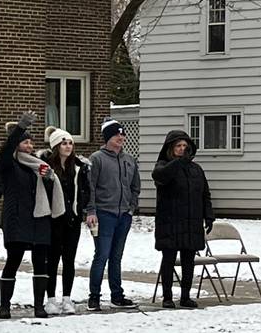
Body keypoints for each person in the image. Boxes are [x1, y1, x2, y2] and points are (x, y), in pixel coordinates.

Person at [0, 114, 64, 318]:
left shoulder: (40, 166)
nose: (29, 145)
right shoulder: (9, 163)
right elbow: (6, 149)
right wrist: (20, 127)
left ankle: (39, 306)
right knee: (13, 260)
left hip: (40, 218)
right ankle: (4, 306)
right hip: (17, 219)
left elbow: (50, 192)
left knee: (40, 262)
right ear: (17, 144)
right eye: (25, 142)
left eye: (30, 142)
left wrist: (50, 178)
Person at [152, 130, 214, 308]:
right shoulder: (163, 166)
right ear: (171, 148)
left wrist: (208, 215)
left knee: (188, 260)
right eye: (178, 146)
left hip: (191, 221)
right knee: (168, 259)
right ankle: (167, 297)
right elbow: (160, 177)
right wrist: (178, 162)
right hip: (170, 221)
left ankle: (186, 296)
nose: (182, 149)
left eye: (185, 146)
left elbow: (205, 194)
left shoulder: (196, 169)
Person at [84, 118, 141, 311]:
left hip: (123, 215)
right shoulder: (96, 159)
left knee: (117, 257)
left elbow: (136, 186)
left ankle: (117, 295)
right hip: (104, 214)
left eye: (122, 134)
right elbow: (89, 187)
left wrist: (131, 207)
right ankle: (94, 296)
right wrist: (91, 210)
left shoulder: (129, 160)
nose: (121, 137)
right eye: (117, 134)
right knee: (102, 255)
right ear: (108, 137)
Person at [41, 127, 91, 313]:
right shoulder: (46, 167)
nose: (68, 146)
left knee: (69, 259)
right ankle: (51, 298)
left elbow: (85, 190)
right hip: (53, 218)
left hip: (72, 219)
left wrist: (82, 209)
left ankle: (67, 298)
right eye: (63, 143)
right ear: (56, 146)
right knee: (52, 259)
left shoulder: (79, 167)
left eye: (70, 143)